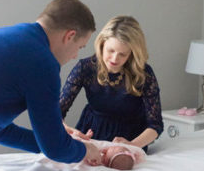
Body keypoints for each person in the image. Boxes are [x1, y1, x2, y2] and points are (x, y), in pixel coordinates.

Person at [0, 0, 102, 165]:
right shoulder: (42, 63)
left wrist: (57, 140)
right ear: (69, 36)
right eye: (80, 47)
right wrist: (84, 150)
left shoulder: (16, 36)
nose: (75, 55)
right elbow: (56, 149)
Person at [60, 16, 163, 150]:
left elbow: (155, 125)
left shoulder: (144, 73)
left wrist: (132, 145)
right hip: (92, 133)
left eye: (122, 54)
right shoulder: (85, 68)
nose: (115, 59)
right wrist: (70, 132)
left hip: (130, 138)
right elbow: (56, 112)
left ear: (132, 53)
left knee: (119, 164)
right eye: (111, 50)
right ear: (102, 44)